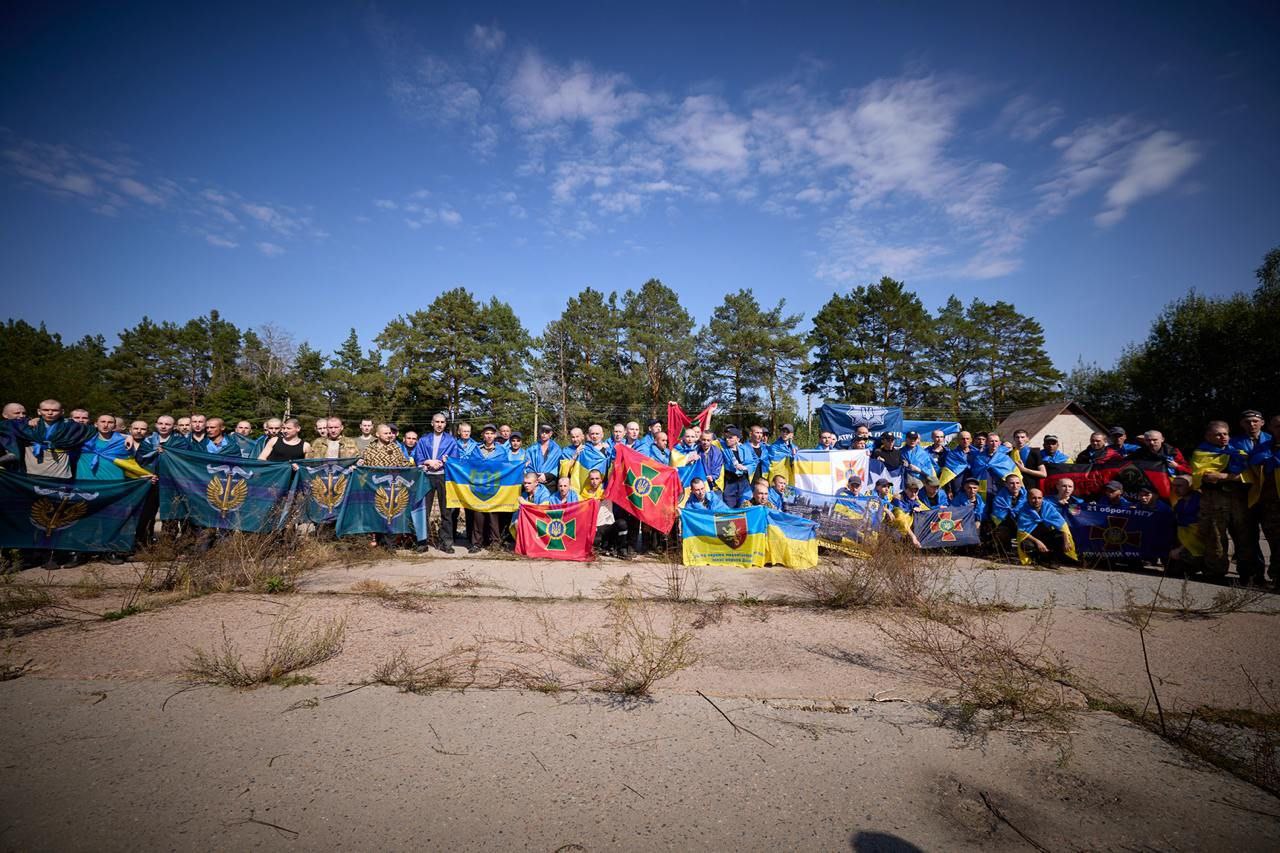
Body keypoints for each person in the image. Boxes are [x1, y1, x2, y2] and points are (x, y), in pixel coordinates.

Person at [1193, 419, 1255, 583]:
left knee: (1245, 536)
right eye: (1218, 435)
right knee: (1215, 536)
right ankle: (1216, 573)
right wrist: (1232, 477)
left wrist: (1222, 476)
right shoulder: (1202, 453)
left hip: (1239, 499)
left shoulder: (1239, 453)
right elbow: (1205, 477)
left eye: (1225, 434)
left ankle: (1248, 574)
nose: (1223, 437)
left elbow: (1249, 476)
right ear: (1208, 436)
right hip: (1214, 500)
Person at [1231, 409, 1272, 583]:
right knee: (1246, 536)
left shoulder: (1272, 440)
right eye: (1247, 422)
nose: (1252, 424)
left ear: (1262, 423)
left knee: (1274, 535)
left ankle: (1276, 574)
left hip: (1270, 495)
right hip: (1244, 495)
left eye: (1255, 421)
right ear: (1241, 424)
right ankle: (1251, 574)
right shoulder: (1233, 442)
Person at [411, 413, 458, 553]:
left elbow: (455, 459)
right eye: (437, 421)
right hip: (427, 477)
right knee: (424, 510)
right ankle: (422, 542)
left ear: (445, 424)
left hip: (444, 477)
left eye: (442, 422)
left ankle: (446, 543)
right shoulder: (424, 440)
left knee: (446, 511)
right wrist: (428, 461)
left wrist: (445, 461)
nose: (439, 424)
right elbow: (418, 456)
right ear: (432, 423)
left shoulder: (451, 441)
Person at [20, 399, 93, 479]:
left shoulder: (71, 428)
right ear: (39, 411)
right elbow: (6, 427)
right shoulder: (26, 426)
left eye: (55, 410)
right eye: (45, 410)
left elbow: (93, 430)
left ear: (62, 412)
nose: (50, 413)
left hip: (61, 475)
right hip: (32, 475)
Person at [1253, 414, 1280, 586]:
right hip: (1271, 503)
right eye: (1277, 426)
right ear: (1270, 428)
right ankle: (1278, 575)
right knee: (1275, 542)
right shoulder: (1264, 446)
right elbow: (1254, 460)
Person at [1016, 489, 1072, 565]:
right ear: (1028, 498)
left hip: (1047, 536)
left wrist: (1066, 540)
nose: (1036, 500)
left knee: (1061, 537)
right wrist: (1038, 542)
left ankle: (1055, 559)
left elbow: (1062, 524)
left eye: (1039, 498)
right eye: (1033, 498)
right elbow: (1022, 532)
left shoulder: (1048, 507)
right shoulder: (1023, 510)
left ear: (1042, 498)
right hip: (1033, 538)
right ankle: (1038, 559)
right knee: (1025, 545)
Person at [583, 468, 628, 557]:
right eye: (592, 479)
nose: (594, 481)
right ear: (589, 480)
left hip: (608, 526)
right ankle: (604, 547)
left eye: (597, 478)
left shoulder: (606, 491)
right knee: (595, 543)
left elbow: (613, 477)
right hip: (595, 528)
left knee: (622, 524)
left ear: (601, 479)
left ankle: (622, 549)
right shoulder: (584, 495)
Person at [1168, 474, 1205, 579]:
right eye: (1174, 486)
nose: (1175, 489)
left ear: (1190, 486)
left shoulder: (1200, 502)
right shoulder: (1180, 503)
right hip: (1184, 541)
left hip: (1197, 544)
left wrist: (1180, 549)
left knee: (1179, 569)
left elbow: (1199, 532)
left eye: (1180, 486)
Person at [989, 473, 1028, 556]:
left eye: (1017, 483)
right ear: (1006, 484)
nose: (1015, 486)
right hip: (1006, 523)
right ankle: (1005, 552)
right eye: (1011, 483)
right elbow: (998, 515)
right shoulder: (999, 498)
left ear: (1021, 484)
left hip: (1024, 524)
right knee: (1002, 531)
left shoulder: (1028, 497)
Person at [721, 427, 757, 510]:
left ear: (737, 438)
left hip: (743, 482)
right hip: (730, 481)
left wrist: (745, 467)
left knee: (745, 505)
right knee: (730, 505)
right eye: (726, 437)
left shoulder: (745, 449)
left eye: (730, 437)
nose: (727, 440)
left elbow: (752, 463)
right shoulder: (723, 447)